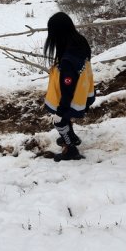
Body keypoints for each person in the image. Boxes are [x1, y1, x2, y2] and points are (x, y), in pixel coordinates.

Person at [43, 12, 96, 161]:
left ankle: (70, 148)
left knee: (59, 121)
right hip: (83, 93)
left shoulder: (68, 60)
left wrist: (60, 112)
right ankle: (71, 136)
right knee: (63, 118)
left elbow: (68, 89)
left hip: (72, 98)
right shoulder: (80, 42)